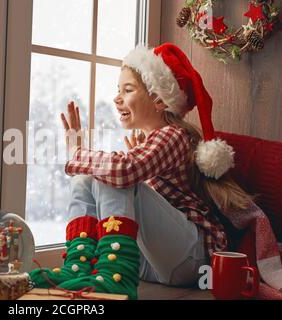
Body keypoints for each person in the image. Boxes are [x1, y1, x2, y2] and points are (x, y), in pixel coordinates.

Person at [28, 43, 254, 299]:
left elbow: (123, 171)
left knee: (113, 176)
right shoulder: (151, 143)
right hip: (156, 264)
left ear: (159, 100)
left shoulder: (173, 136)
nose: (117, 97)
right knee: (86, 176)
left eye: (128, 89)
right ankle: (78, 266)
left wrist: (78, 152)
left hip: (192, 259)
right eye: (117, 90)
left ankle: (116, 274)